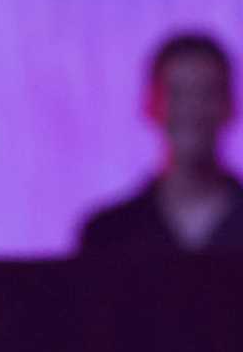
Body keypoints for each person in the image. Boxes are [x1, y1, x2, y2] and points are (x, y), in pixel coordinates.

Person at [79, 32, 243, 254]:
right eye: (177, 94)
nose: (192, 109)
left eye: (207, 93)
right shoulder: (108, 234)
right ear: (150, 105)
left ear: (230, 105)